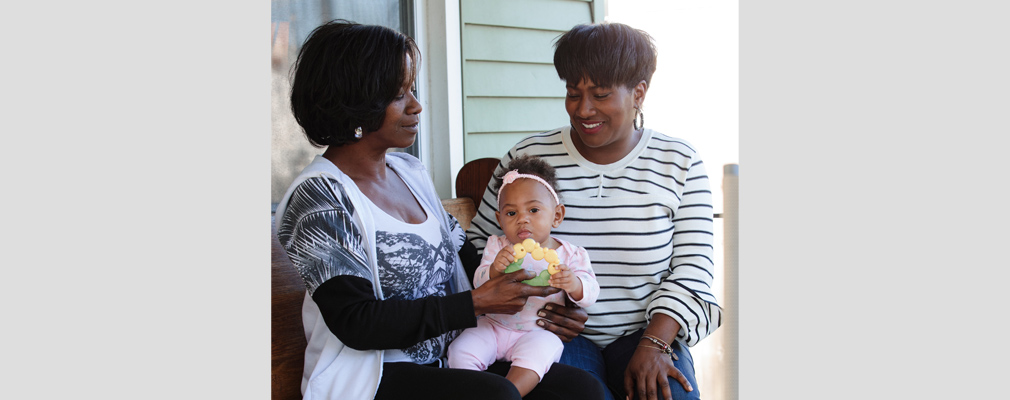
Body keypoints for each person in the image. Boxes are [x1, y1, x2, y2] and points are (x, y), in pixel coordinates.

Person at [273, 20, 605, 400]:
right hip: (370, 376)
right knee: (496, 396)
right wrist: (476, 302)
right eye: (400, 96)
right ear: (356, 105)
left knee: (583, 390)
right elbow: (356, 322)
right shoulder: (320, 197)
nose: (417, 105)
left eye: (411, 90)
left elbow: (467, 259)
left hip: (452, 354)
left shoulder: (410, 173)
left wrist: (542, 299)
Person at [464, 22, 723, 400]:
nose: (584, 109)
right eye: (573, 93)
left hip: (643, 332)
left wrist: (654, 344)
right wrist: (535, 305)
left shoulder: (678, 162)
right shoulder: (528, 159)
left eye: (600, 94)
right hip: (543, 333)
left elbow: (692, 269)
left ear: (639, 92)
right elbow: (480, 246)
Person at [448, 155, 601, 397]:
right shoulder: (498, 246)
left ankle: (507, 394)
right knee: (460, 350)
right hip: (494, 326)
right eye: (511, 213)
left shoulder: (570, 254)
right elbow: (478, 283)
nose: (522, 219)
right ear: (499, 219)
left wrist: (574, 284)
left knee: (539, 355)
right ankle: (474, 391)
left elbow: (590, 294)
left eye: (533, 209)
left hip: (537, 331)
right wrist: (495, 269)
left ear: (557, 215)